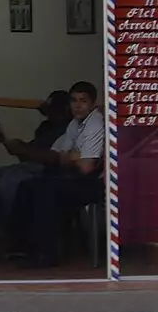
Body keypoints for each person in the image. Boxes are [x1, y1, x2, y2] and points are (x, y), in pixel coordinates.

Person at [8, 81, 105, 268]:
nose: (77, 105)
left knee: (48, 192)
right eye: (74, 101)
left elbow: (86, 167)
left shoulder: (95, 124)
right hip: (72, 176)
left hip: (93, 183)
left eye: (83, 101)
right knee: (27, 186)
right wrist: (73, 157)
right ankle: (21, 247)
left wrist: (70, 158)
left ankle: (47, 253)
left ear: (92, 104)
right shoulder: (75, 124)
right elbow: (57, 155)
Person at [0, 90, 73, 249]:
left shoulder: (71, 129)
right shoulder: (46, 127)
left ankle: (15, 235)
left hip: (50, 171)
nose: (50, 116)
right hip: (30, 166)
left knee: (8, 182)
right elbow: (28, 154)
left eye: (54, 111)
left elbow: (54, 159)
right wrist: (11, 144)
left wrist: (21, 149)